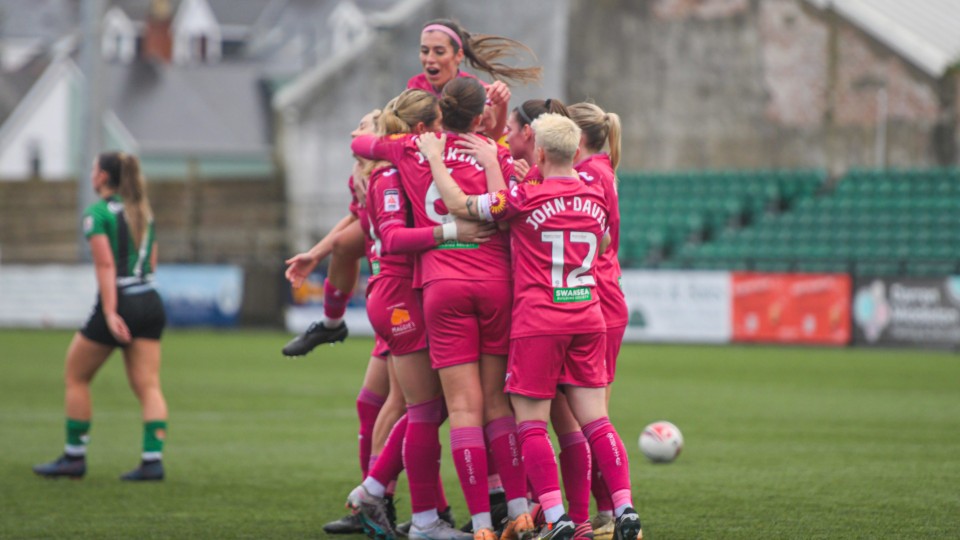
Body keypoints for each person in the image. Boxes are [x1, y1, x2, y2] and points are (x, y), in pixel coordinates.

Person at [417, 114, 644, 540]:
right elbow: (608, 244)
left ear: (538, 152)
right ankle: (625, 508)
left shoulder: (524, 197)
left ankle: (556, 516)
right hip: (588, 315)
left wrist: (437, 158)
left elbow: (461, 206)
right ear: (576, 153)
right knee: (596, 420)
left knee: (532, 423)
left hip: (539, 321)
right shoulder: (595, 192)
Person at [352, 77, 532, 540]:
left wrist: (408, 141)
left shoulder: (410, 152)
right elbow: (512, 206)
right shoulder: (494, 152)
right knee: (488, 406)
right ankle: (517, 510)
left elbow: (360, 141)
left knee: (450, 409)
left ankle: (477, 525)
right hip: (488, 283)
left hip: (437, 286)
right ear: (478, 117)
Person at [33, 152, 168, 481]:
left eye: (94, 169)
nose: (91, 174)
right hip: (150, 299)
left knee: (76, 376)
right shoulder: (143, 211)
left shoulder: (96, 214)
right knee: (149, 385)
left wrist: (110, 312)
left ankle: (73, 458)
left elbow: (106, 265)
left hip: (120, 300)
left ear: (104, 177)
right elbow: (151, 262)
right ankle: (153, 461)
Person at [567, 101, 628, 540]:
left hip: (598, 300)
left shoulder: (589, 175)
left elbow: (599, 236)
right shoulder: (601, 170)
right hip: (602, 297)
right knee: (588, 414)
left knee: (590, 416)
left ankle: (607, 512)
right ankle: (604, 512)